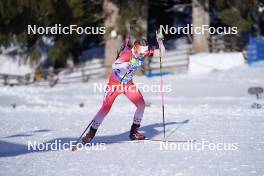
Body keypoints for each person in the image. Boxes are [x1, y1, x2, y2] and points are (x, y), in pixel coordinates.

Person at [82, 33, 165, 144]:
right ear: (135, 49)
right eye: (140, 53)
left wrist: (160, 43)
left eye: (144, 53)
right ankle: (90, 134)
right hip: (115, 84)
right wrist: (127, 65)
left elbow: (161, 53)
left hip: (128, 85)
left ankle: (134, 132)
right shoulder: (127, 55)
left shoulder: (143, 53)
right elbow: (114, 65)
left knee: (141, 105)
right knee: (105, 108)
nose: (142, 55)